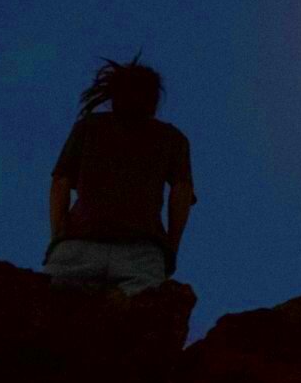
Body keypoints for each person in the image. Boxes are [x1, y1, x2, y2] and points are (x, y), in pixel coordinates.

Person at [43, 52, 196, 296]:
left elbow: (60, 182)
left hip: (79, 244)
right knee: (141, 324)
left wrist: (59, 235)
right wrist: (171, 246)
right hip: (142, 250)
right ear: (153, 99)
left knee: (51, 315)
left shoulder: (89, 127)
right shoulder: (171, 138)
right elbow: (181, 192)